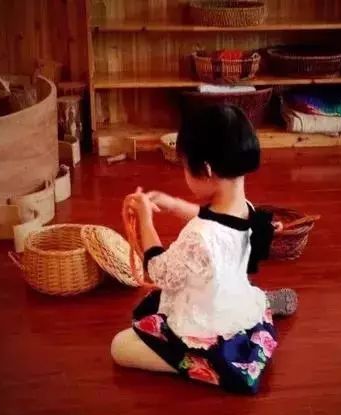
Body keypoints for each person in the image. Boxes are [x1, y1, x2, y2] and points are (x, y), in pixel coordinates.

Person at [111, 105, 297, 394]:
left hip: (207, 325)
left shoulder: (199, 237)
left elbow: (158, 271)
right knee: (205, 295)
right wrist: (174, 205)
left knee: (120, 347)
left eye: (185, 166)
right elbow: (214, 220)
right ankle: (258, 309)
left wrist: (146, 222)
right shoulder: (247, 209)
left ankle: (207, 361)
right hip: (230, 299)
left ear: (207, 169)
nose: (185, 173)